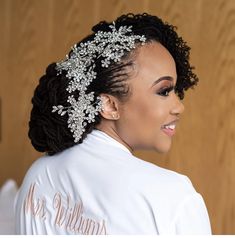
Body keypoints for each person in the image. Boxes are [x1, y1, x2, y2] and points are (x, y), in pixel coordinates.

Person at [15, 13, 211, 235]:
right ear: (109, 106)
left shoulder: (37, 176)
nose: (179, 107)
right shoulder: (174, 197)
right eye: (164, 91)